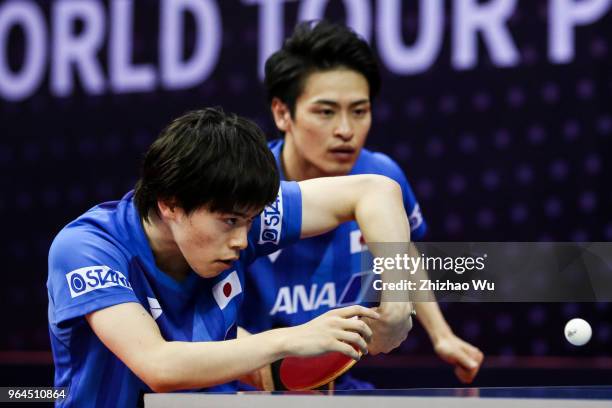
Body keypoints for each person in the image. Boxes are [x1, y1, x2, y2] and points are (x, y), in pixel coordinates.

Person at [47, 107, 414, 407]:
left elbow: (376, 191)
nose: (243, 239)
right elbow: (158, 366)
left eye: (250, 220)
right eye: (229, 222)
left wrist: (396, 302)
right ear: (170, 203)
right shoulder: (88, 247)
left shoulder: (240, 218)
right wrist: (290, 339)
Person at [239, 21, 484, 389]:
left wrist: (441, 335)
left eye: (359, 111)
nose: (345, 130)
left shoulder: (382, 177)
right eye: (325, 112)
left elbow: (405, 254)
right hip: (248, 379)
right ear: (282, 113)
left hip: (335, 383)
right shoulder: (243, 190)